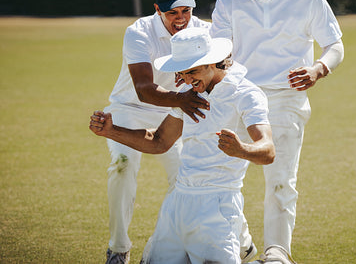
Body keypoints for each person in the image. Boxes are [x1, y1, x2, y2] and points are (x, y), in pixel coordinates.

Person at [209, 0, 345, 258]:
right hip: (241, 95)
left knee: (281, 181)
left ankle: (276, 252)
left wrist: (317, 70)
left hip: (288, 96)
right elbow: (218, 52)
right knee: (217, 172)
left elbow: (335, 46)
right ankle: (240, 241)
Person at [90, 27, 275, 264]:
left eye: (193, 71)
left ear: (214, 62)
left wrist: (241, 150)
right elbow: (159, 141)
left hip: (217, 206)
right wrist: (112, 131)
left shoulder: (247, 94)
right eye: (182, 73)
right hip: (176, 205)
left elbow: (268, 150)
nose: (187, 80)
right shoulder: (188, 94)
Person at [101, 0, 211, 264]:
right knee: (122, 166)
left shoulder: (202, 30)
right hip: (129, 107)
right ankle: (118, 247)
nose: (181, 19)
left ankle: (169, 248)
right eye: (172, 12)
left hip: (173, 111)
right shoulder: (138, 32)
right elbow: (144, 89)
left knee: (187, 179)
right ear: (157, 9)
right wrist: (182, 100)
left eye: (186, 11)